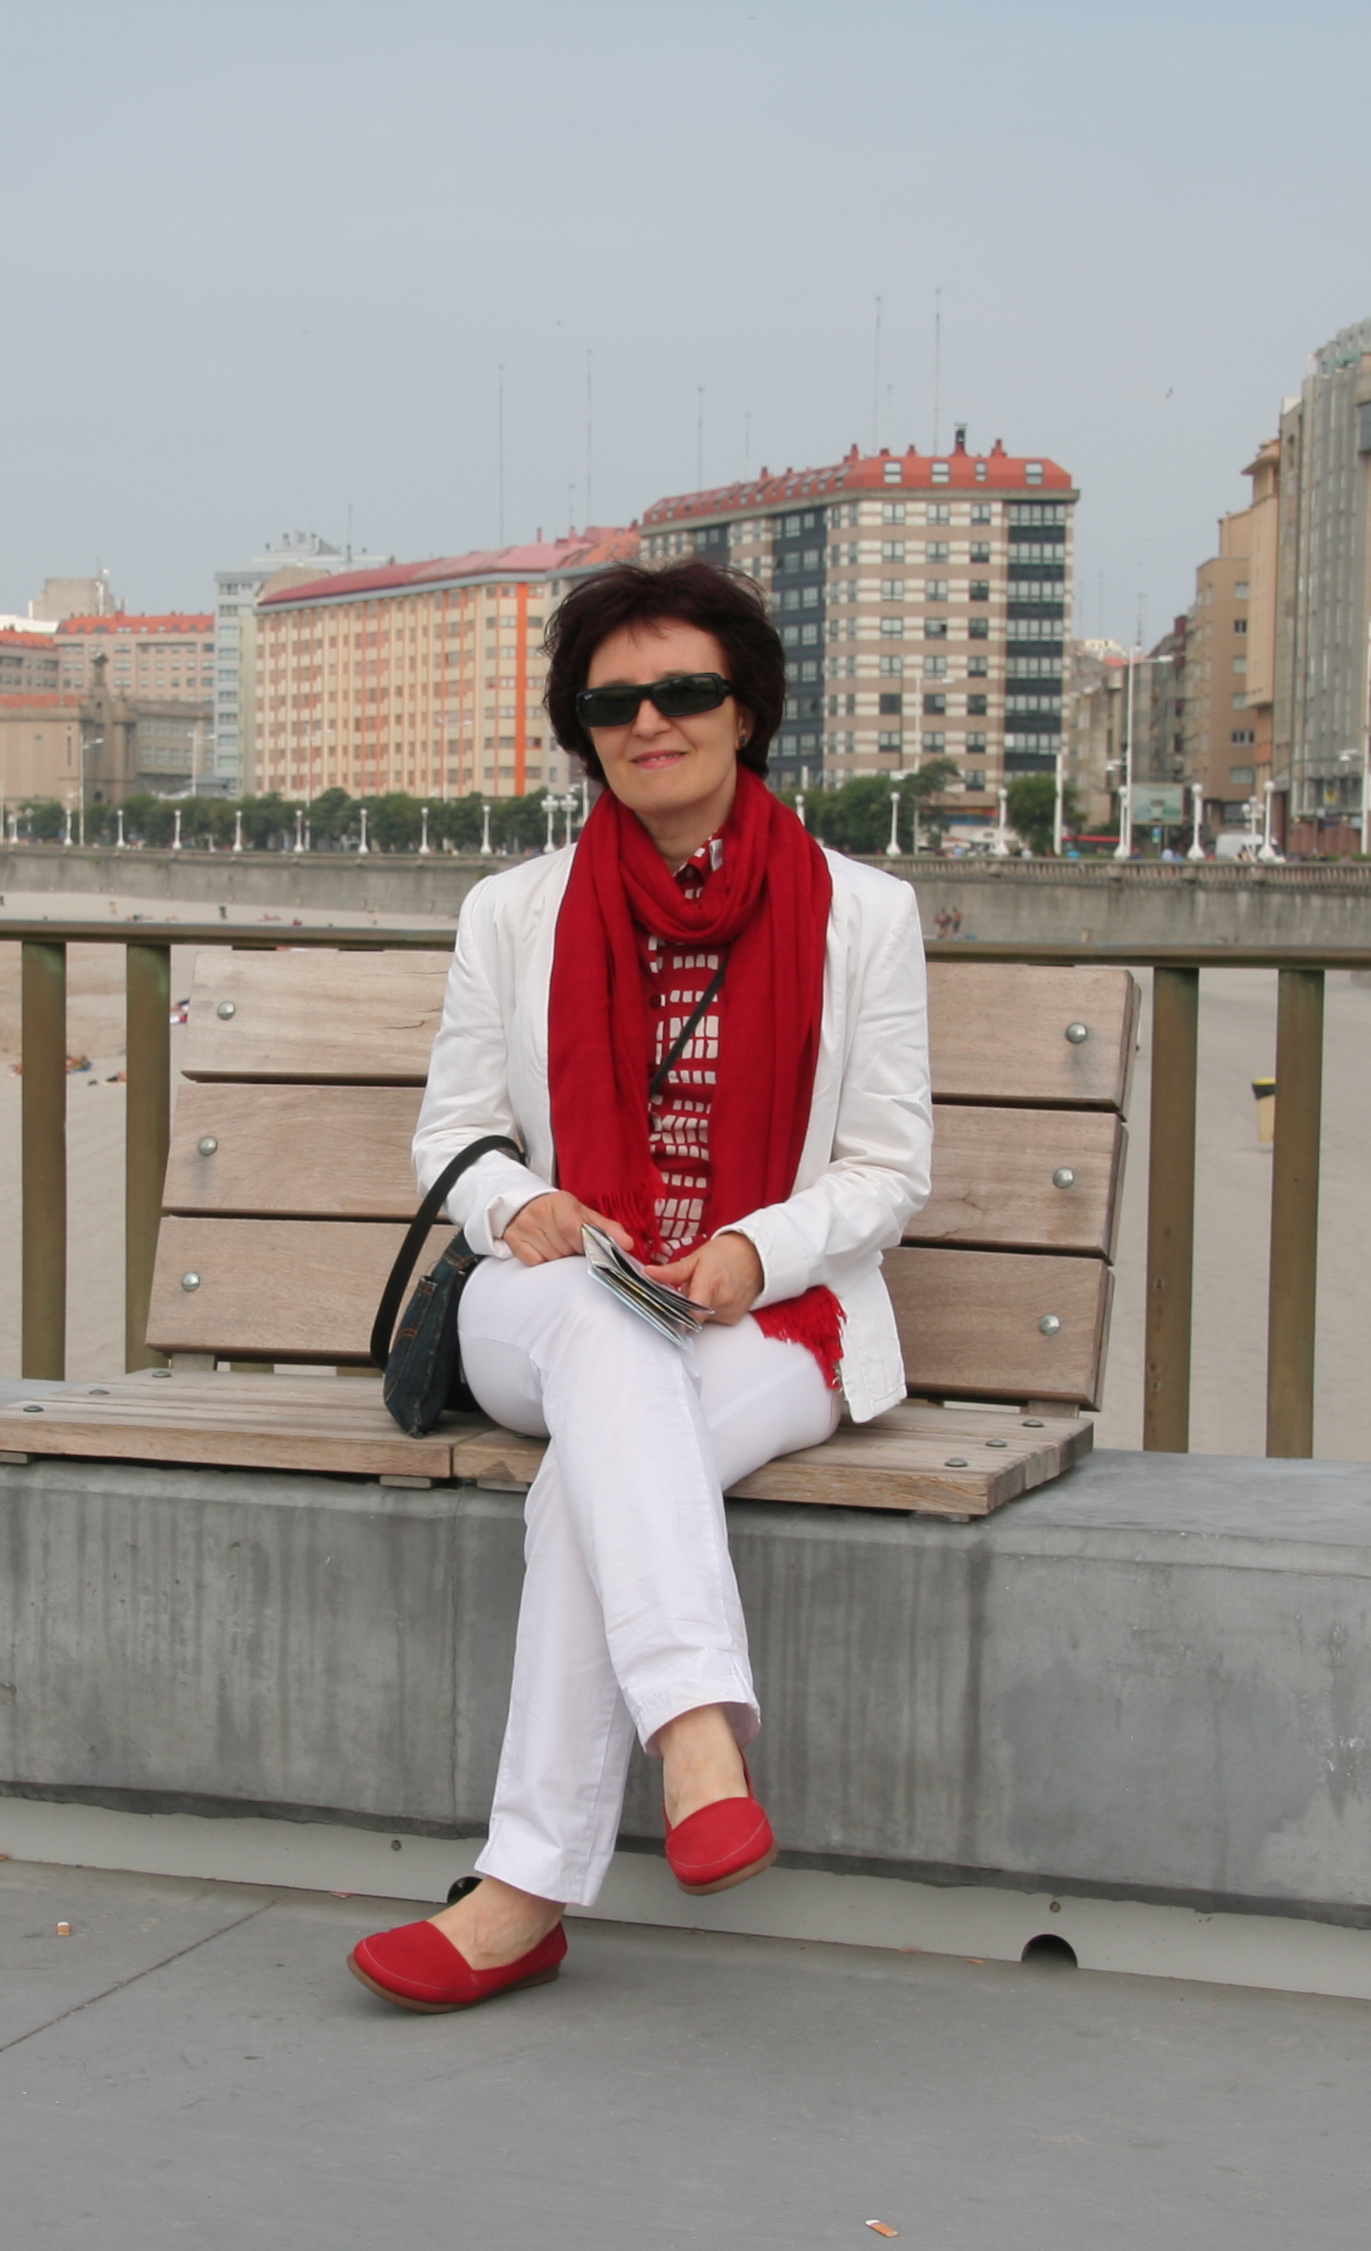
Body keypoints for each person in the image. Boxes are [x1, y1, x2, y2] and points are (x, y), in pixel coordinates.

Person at [346, 559, 933, 2014]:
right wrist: (523, 1201)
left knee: (590, 1485)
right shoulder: (515, 911)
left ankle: (522, 1895)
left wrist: (758, 1249)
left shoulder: (865, 915)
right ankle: (695, 1732)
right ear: (583, 731)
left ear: (748, 710)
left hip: (772, 1315)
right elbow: (452, 1136)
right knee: (607, 1337)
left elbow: (886, 1169)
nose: (648, 721)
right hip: (546, 1298)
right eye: (613, 703)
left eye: (682, 691)